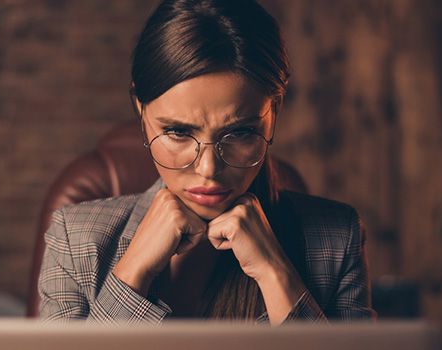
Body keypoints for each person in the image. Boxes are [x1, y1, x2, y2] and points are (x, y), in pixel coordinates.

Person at [38, 0, 375, 325]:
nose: (208, 169)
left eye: (240, 132)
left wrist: (274, 273)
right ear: (141, 111)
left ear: (274, 112)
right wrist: (132, 274)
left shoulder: (336, 238)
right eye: (178, 132)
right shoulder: (76, 240)